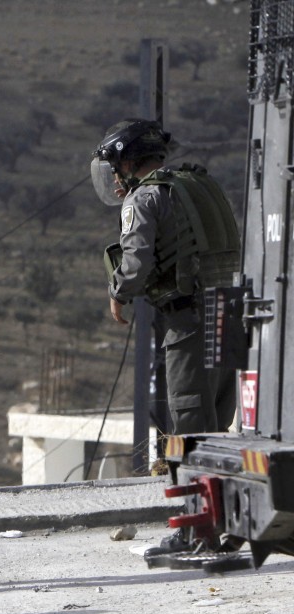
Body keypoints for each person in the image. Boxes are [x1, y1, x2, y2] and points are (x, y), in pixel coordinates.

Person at [92, 119, 241, 552]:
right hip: (228, 312)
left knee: (190, 423)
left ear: (126, 162)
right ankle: (222, 523)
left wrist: (116, 291)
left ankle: (195, 530)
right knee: (216, 423)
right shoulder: (199, 184)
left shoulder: (145, 197)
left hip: (189, 320)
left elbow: (135, 266)